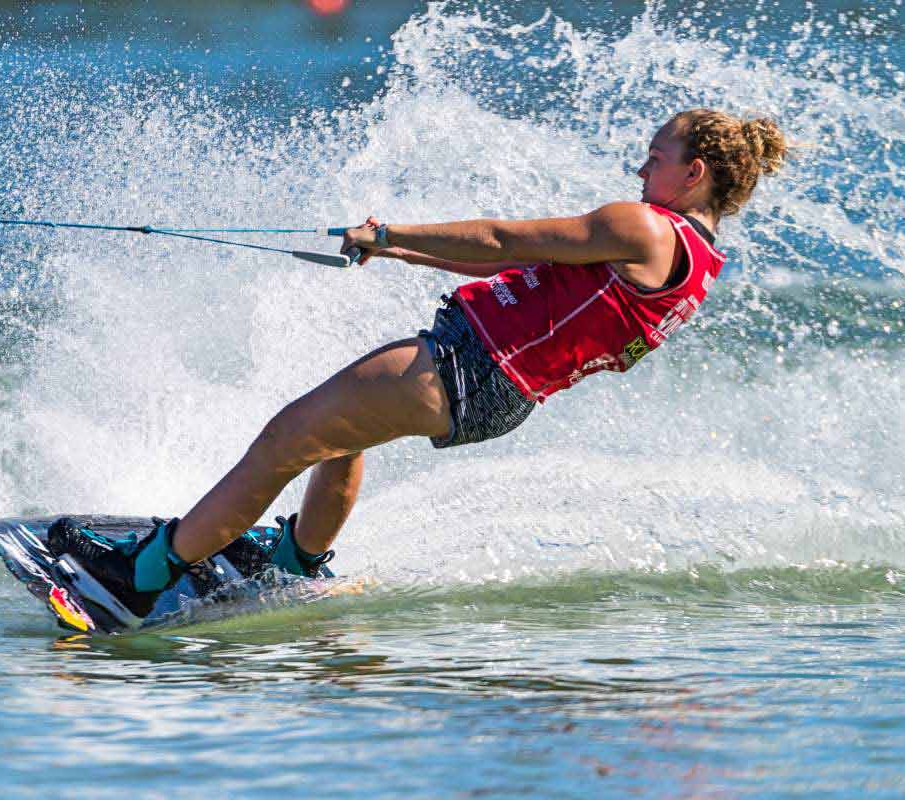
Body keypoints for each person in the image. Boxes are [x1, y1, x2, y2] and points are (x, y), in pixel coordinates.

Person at [49, 108, 789, 617]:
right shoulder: (697, 263)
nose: (640, 166)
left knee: (285, 439)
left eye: (654, 158)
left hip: (469, 365)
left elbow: (505, 239)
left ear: (692, 174)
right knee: (336, 437)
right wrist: (394, 247)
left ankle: (143, 576)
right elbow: (529, 259)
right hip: (497, 390)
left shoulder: (645, 227)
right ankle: (298, 563)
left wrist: (390, 227)